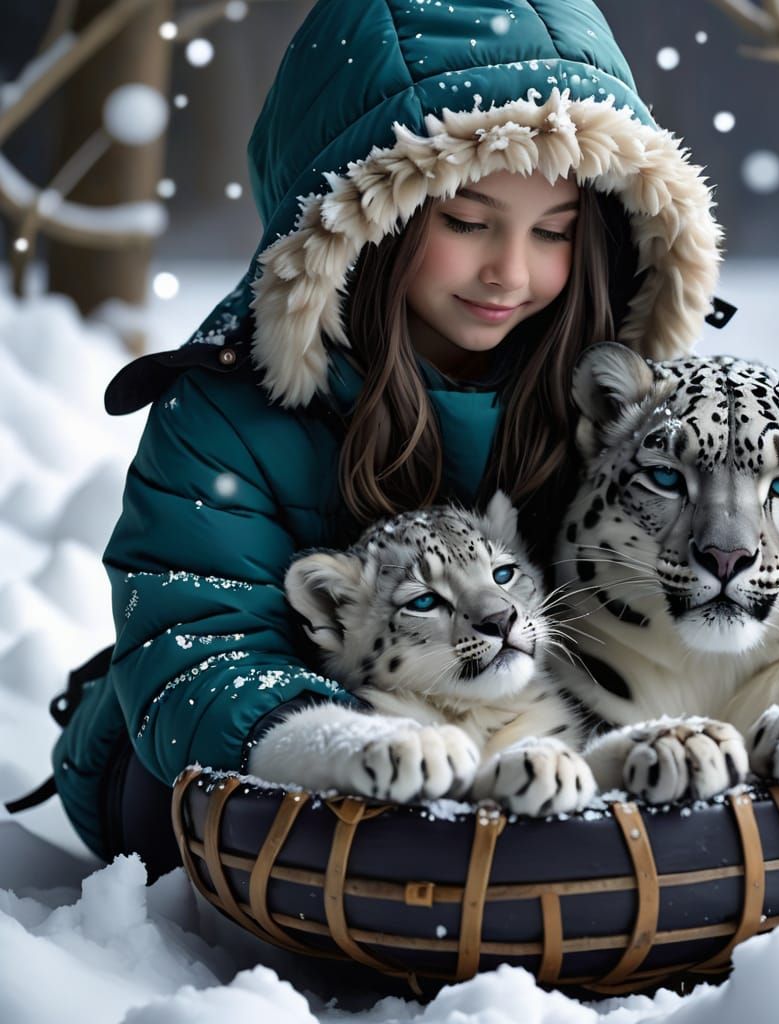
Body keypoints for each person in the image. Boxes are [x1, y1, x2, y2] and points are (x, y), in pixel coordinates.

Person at [42, 0, 725, 879]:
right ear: (365, 217)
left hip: (538, 732)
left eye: (552, 232)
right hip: (217, 762)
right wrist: (332, 744)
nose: (510, 273)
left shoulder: (602, 387)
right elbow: (195, 640)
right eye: (468, 222)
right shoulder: (227, 406)